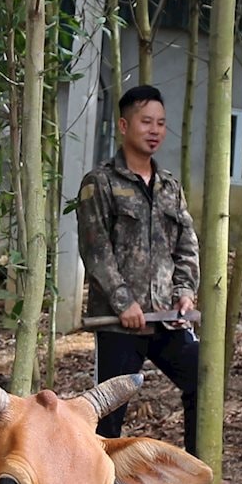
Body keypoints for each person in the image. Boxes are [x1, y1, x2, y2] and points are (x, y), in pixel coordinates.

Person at [76, 85, 200, 448]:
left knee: (201, 380)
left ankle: (197, 467)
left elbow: (186, 245)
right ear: (124, 125)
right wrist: (123, 301)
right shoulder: (100, 183)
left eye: (161, 123)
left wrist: (183, 294)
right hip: (119, 323)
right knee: (110, 409)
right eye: (146, 122)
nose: (155, 130)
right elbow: (96, 250)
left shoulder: (169, 188)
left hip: (166, 319)